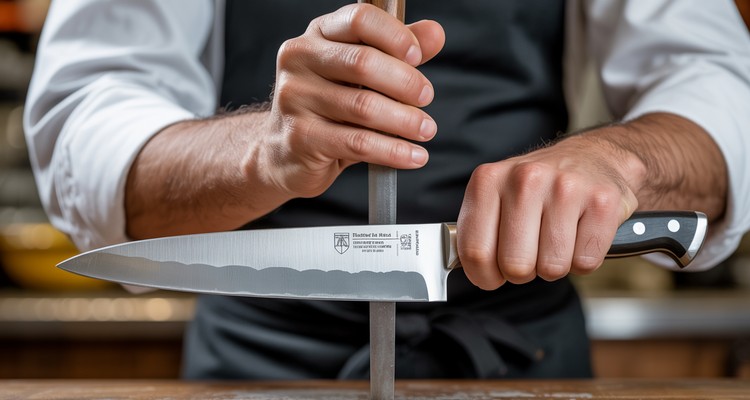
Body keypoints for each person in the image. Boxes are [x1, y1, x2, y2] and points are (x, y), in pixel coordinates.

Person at [24, 0, 750, 379]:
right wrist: (265, 150)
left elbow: (721, 84)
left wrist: (624, 160)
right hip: (257, 368)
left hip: (520, 360)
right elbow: (87, 125)